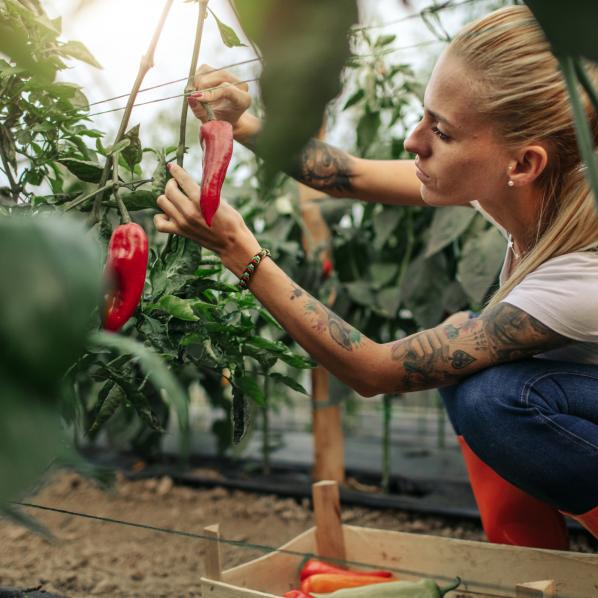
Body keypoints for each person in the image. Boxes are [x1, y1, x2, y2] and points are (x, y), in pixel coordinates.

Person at [155, 5, 598, 550]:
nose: (414, 141)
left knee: (493, 397)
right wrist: (240, 121)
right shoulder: (529, 187)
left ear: (524, 164)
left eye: (441, 131)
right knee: (468, 353)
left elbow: (376, 370)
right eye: (422, 116)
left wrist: (238, 250)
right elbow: (349, 175)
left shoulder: (583, 274)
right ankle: (533, 566)